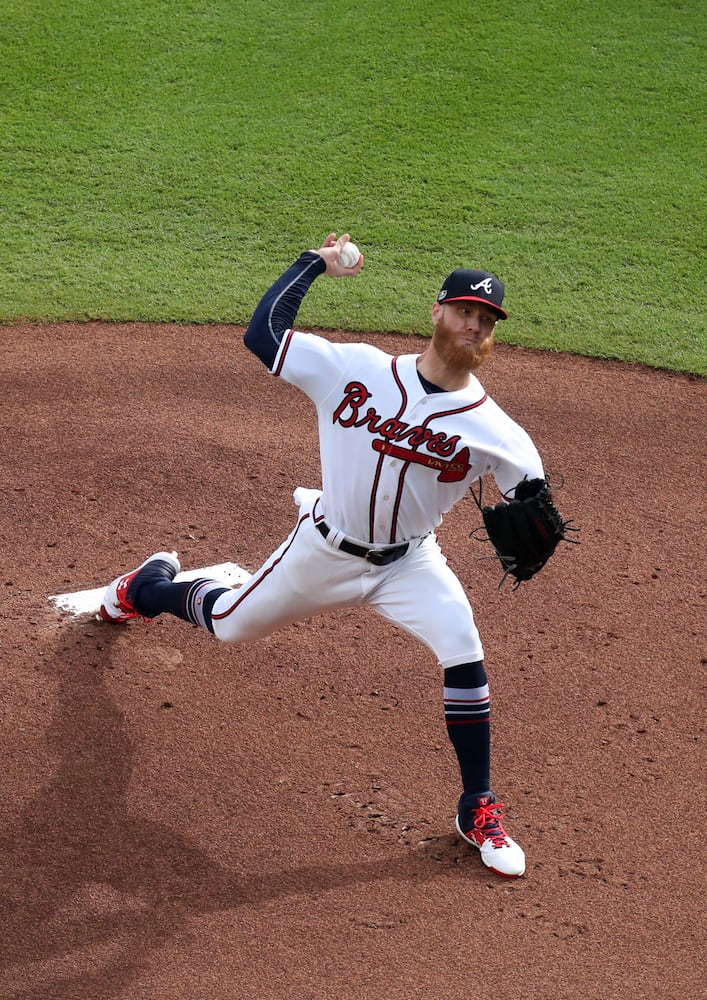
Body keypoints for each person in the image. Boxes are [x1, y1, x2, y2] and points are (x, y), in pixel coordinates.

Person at [100, 232, 549, 878]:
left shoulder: (498, 432)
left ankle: (475, 805)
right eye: (463, 312)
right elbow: (264, 335)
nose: (473, 325)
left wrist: (532, 507)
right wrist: (314, 263)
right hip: (324, 549)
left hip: (408, 564)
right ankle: (144, 588)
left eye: (485, 321)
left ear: (490, 335)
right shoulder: (358, 369)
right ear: (436, 313)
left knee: (463, 646)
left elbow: (532, 500)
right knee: (227, 623)